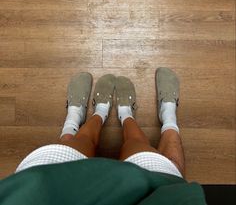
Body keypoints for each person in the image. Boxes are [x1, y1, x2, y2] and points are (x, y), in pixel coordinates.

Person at [0, 68, 206, 205]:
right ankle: (158, 114)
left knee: (68, 149)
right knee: (152, 157)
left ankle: (80, 117)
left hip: (42, 195)